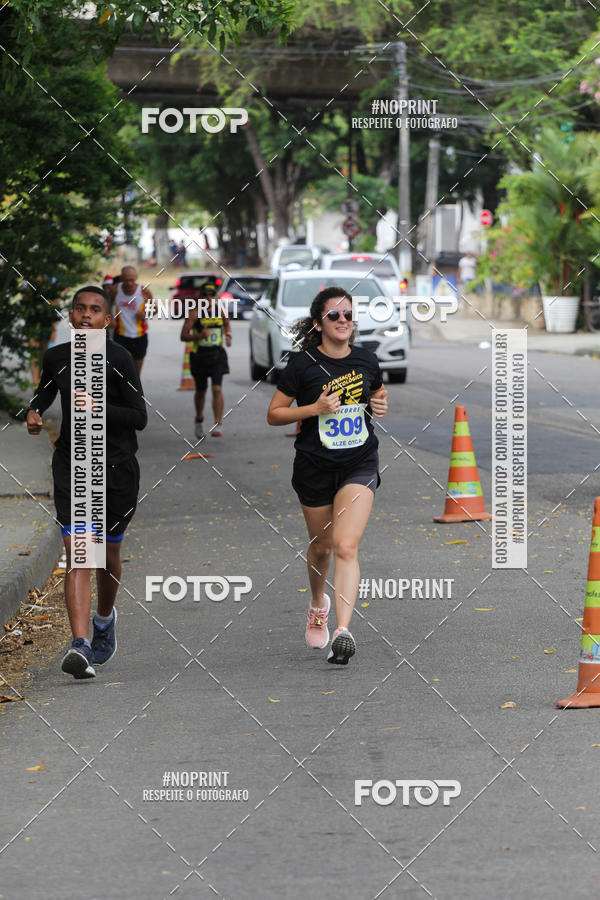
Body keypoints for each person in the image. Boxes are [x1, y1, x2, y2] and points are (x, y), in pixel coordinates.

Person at [26, 286, 147, 679]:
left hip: (117, 469)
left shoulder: (120, 359)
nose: (85, 316)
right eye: (79, 308)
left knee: (107, 558)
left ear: (107, 319)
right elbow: (43, 394)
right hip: (74, 467)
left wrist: (100, 408)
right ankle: (79, 645)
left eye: (95, 310)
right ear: (71, 313)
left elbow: (139, 416)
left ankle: (104, 617)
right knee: (81, 553)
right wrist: (32, 413)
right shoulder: (58, 358)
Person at [267, 286, 388, 665]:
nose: (343, 321)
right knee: (320, 546)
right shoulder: (302, 365)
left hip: (359, 463)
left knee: (346, 546)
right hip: (314, 466)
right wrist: (314, 408)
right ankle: (318, 603)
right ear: (319, 323)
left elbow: (379, 394)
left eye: (349, 315)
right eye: (334, 315)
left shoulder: (367, 360)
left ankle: (343, 630)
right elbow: (275, 414)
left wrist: (381, 404)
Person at [180, 285, 231, 438]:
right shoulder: (194, 313)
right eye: (205, 296)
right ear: (200, 298)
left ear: (216, 297)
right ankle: (199, 419)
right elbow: (183, 336)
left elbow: (227, 324)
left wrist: (228, 336)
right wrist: (199, 336)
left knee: (217, 389)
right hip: (199, 356)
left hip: (217, 355)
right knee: (201, 392)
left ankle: (218, 424)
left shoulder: (220, 310)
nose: (208, 299)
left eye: (211, 296)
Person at [108, 266, 152, 374]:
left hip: (140, 336)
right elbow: (106, 305)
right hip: (120, 335)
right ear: (122, 278)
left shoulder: (144, 291)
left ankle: (135, 390)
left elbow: (154, 309)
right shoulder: (115, 290)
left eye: (132, 280)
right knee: (122, 370)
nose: (129, 283)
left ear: (136, 277)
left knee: (136, 373)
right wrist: (110, 318)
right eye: (126, 280)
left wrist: (145, 313)